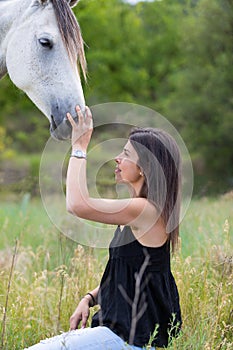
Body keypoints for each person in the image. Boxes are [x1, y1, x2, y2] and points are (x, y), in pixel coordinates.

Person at [26, 106, 182, 350]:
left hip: (129, 341)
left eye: (126, 153)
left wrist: (79, 147)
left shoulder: (143, 210)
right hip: (117, 334)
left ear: (144, 168)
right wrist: (89, 298)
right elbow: (130, 274)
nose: (118, 158)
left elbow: (77, 205)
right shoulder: (137, 212)